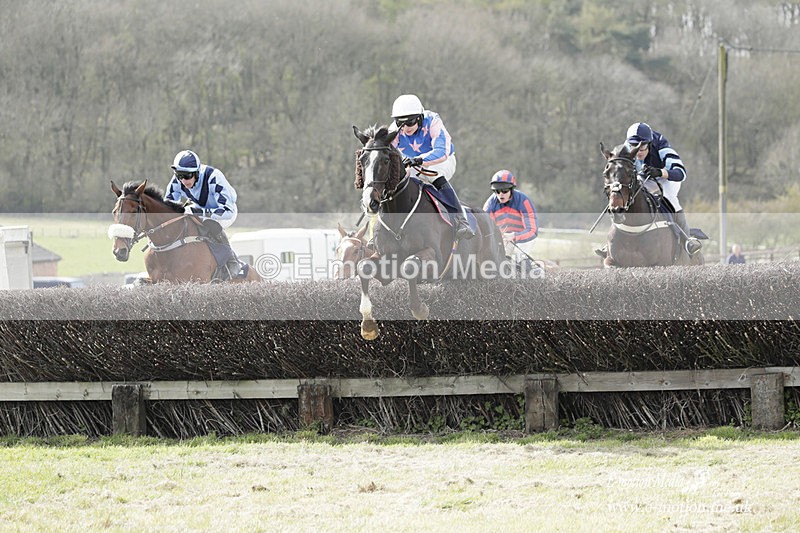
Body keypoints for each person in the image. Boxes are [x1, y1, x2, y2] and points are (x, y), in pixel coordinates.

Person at [390, 94, 474, 239]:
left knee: (434, 175)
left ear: (419, 118)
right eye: (400, 123)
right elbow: (387, 152)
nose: (404, 128)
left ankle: (461, 220)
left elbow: (442, 151)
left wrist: (418, 160)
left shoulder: (433, 121)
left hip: (442, 161)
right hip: (413, 163)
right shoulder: (394, 130)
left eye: (409, 122)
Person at [164, 149, 244, 280]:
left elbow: (227, 211)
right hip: (200, 208)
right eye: (179, 175)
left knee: (209, 223)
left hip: (224, 211)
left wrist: (199, 212)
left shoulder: (214, 177)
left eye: (187, 176)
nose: (183, 180)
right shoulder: (177, 180)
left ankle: (232, 260)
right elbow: (168, 205)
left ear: (196, 173)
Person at [625, 122, 701, 255]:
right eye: (635, 148)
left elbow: (681, 173)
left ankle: (686, 239)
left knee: (667, 196)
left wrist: (660, 172)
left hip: (666, 178)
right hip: (643, 178)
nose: (639, 152)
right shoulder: (626, 149)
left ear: (649, 143)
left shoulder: (661, 145)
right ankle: (615, 240)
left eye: (643, 147)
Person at [482, 170, 538, 261]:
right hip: (505, 239)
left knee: (519, 257)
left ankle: (528, 273)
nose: (500, 195)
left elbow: (532, 231)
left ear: (511, 189)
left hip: (524, 237)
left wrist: (515, 236)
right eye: (497, 191)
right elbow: (488, 231)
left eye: (504, 191)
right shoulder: (489, 205)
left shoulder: (523, 201)